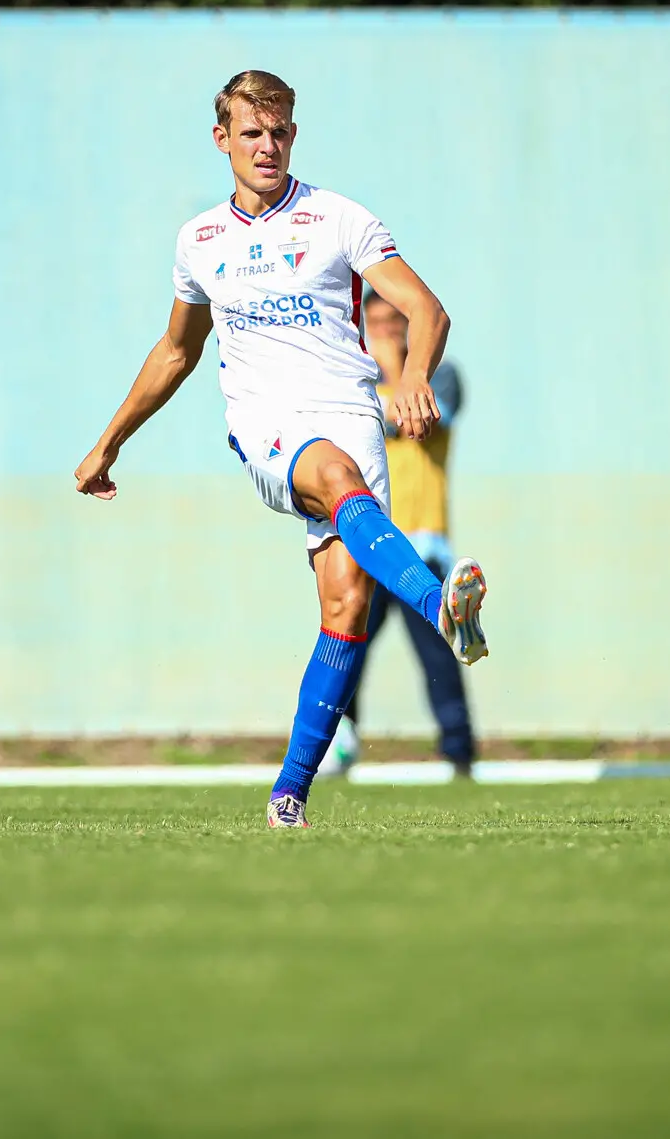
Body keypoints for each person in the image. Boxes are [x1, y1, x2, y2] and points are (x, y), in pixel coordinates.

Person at [75, 69, 489, 829]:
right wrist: (108, 443)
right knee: (332, 476)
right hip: (268, 421)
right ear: (222, 137)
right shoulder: (199, 240)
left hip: (351, 414)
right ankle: (439, 607)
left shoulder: (338, 218)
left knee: (345, 606)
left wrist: (415, 375)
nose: (267, 146)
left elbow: (426, 308)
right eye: (251, 132)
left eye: (279, 132)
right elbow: (175, 352)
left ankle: (288, 798)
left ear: (294, 134)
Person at [345, 290, 477, 776]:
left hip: (423, 545)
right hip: (370, 542)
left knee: (439, 655)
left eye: (392, 322)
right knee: (345, 649)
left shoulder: (440, 375)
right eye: (373, 322)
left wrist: (392, 370)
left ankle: (458, 753)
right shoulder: (352, 379)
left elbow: (414, 418)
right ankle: (339, 745)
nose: (383, 331)